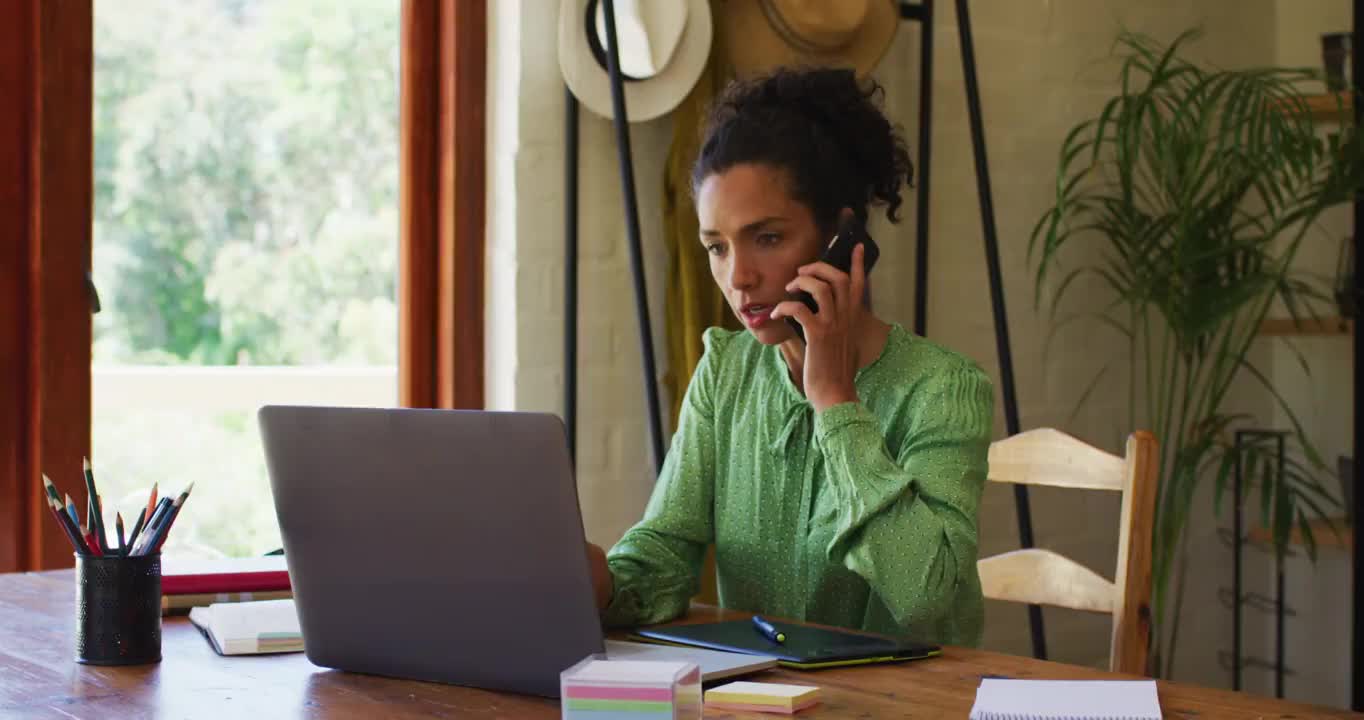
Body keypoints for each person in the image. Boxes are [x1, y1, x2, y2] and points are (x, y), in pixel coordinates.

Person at [585, 66, 994, 646]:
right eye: (716, 247)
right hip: (759, 701)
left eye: (767, 238)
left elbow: (923, 593)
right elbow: (667, 552)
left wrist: (835, 402)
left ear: (843, 238)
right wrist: (596, 579)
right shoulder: (725, 371)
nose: (738, 277)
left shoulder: (943, 388)